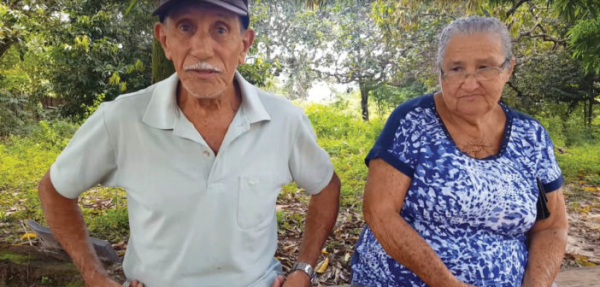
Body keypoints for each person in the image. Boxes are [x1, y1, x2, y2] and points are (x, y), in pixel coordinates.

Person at [37, 0, 341, 286]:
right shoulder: (122, 119)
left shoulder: (283, 120)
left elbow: (326, 186)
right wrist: (94, 276)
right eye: (185, 27)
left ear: (244, 44)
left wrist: (304, 269)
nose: (202, 49)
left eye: (220, 29)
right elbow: (55, 190)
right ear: (165, 40)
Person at [350, 16, 568, 287]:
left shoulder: (531, 136)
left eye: (484, 67)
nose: (469, 82)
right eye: (455, 69)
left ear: (508, 69)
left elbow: (552, 226)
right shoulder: (412, 122)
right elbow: (379, 213)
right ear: (440, 73)